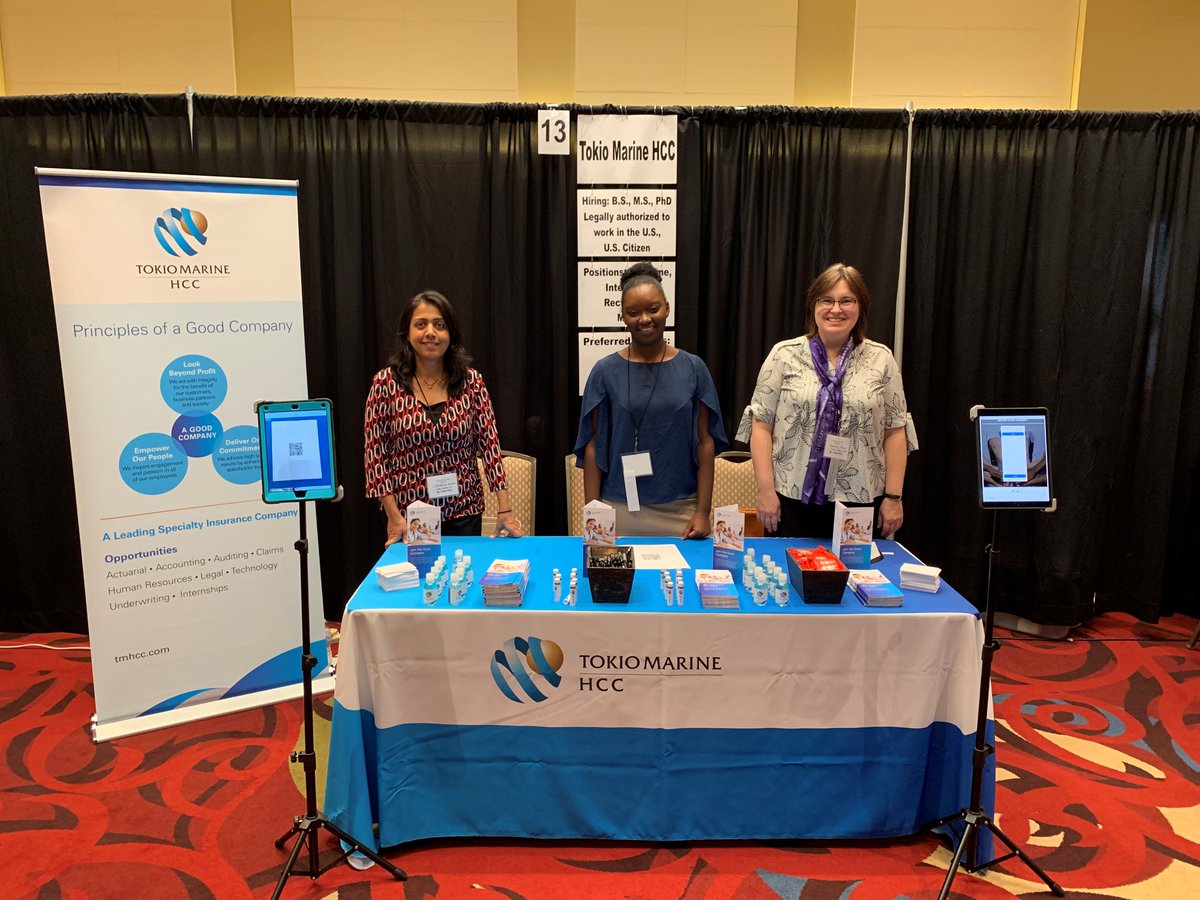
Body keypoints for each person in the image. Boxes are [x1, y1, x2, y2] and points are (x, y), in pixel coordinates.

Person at [737, 263, 916, 539]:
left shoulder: (882, 359)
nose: (836, 309)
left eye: (847, 301)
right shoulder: (783, 355)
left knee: (857, 579)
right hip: (792, 500)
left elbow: (895, 431)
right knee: (790, 577)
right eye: (827, 300)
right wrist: (765, 491)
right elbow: (761, 427)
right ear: (813, 306)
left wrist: (894, 497)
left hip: (860, 499)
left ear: (861, 307)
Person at [574, 262, 728, 537]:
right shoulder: (604, 371)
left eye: (653, 309)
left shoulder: (693, 368)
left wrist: (703, 511)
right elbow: (593, 446)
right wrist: (593, 514)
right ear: (623, 316)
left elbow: (706, 443)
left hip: (681, 511)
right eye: (634, 312)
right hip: (618, 509)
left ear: (667, 308)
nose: (644, 319)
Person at [364, 290, 523, 545]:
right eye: (421, 324)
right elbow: (375, 457)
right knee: (421, 582)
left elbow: (490, 447)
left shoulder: (472, 381)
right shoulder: (386, 383)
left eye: (439, 325)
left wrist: (504, 507)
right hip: (411, 514)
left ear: (451, 334)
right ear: (407, 333)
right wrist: (393, 516)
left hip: (464, 509)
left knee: (462, 579)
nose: (430, 332)